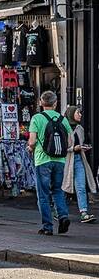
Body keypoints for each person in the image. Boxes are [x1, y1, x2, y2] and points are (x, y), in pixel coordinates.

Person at [29, 91, 73, 235]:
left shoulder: (37, 118)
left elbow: (32, 141)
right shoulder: (63, 119)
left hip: (42, 160)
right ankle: (63, 216)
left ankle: (47, 227)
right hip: (60, 160)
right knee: (58, 190)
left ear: (41, 102)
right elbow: (70, 140)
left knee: (43, 194)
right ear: (55, 103)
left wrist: (30, 147)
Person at [61, 106, 96, 223]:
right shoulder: (63, 127)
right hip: (66, 161)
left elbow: (80, 143)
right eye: (78, 113)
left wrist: (83, 148)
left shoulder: (80, 128)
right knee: (65, 187)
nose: (80, 115)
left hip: (78, 159)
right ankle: (59, 211)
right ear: (71, 114)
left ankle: (84, 213)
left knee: (80, 186)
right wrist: (73, 148)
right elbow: (61, 147)